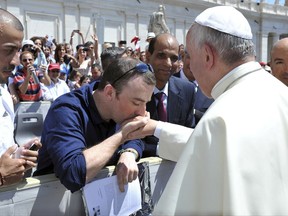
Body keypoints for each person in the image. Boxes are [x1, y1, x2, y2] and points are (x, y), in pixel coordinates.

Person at [127, 6, 288, 215]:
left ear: (207, 56)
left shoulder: (219, 117)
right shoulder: (281, 93)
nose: (189, 66)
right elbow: (215, 148)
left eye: (190, 57)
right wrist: (156, 127)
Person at [34, 57, 156, 193]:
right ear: (110, 92)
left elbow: (135, 138)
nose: (142, 112)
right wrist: (122, 135)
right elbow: (73, 174)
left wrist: (129, 153)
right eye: (136, 103)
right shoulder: (65, 111)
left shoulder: (122, 112)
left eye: (146, 103)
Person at [0, 8, 42, 187]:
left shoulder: (4, 93)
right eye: (9, 50)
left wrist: (18, 156)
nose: (17, 61)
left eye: (18, 51)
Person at [143, 33, 196, 157]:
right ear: (148, 56)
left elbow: (189, 135)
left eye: (173, 58)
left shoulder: (187, 90)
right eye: (161, 56)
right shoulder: (132, 90)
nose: (168, 63)